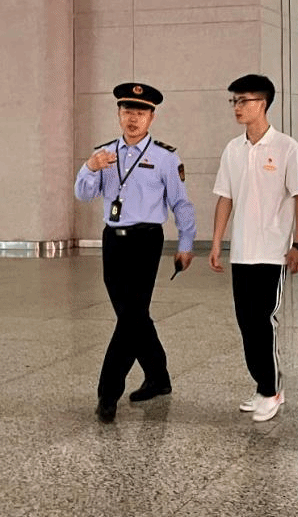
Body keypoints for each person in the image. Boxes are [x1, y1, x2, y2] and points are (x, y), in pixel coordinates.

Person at [75, 82, 196, 423]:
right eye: (127, 111)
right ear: (118, 114)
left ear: (151, 117)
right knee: (133, 315)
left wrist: (186, 243)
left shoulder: (165, 157)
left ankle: (108, 394)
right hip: (113, 240)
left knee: (130, 318)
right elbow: (83, 194)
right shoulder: (103, 154)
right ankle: (158, 376)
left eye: (140, 112)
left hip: (146, 241)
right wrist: (90, 167)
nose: (133, 118)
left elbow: (181, 204)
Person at [209, 75, 298, 422]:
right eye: (234, 101)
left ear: (262, 104)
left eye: (244, 101)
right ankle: (263, 385)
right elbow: (225, 197)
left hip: (273, 251)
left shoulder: (286, 148)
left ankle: (272, 390)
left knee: (263, 321)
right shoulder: (233, 149)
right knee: (246, 323)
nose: (237, 107)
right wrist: (217, 241)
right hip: (242, 251)